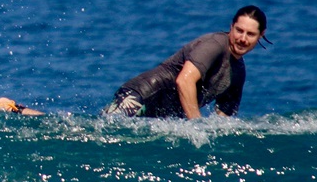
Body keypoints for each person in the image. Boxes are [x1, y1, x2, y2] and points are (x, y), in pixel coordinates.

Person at [104, 6, 268, 119]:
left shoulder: (238, 73)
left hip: (161, 115)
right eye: (239, 30)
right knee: (105, 133)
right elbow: (184, 80)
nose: (242, 39)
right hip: (140, 96)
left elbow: (225, 120)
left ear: (261, 35)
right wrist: (196, 125)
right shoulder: (215, 45)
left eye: (250, 34)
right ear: (231, 27)